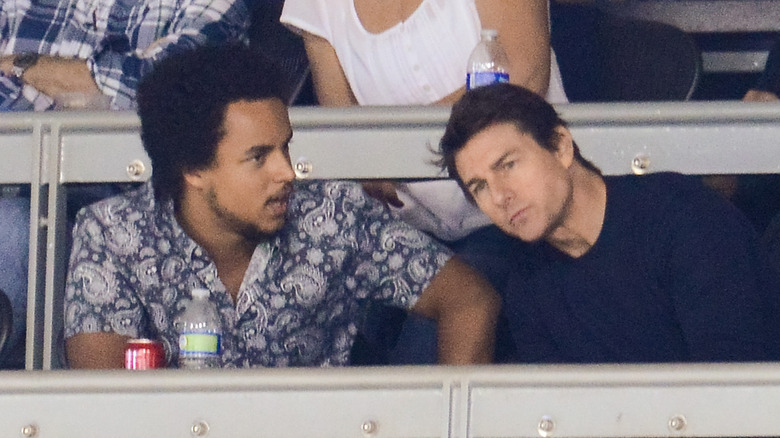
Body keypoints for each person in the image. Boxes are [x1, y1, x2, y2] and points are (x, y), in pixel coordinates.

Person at [63, 44, 500, 369]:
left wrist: (444, 421)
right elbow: (100, 395)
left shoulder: (334, 214)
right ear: (193, 170)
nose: (287, 172)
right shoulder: (111, 232)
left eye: (285, 148)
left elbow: (470, 300)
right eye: (258, 156)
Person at [280, 0, 567, 364]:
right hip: (406, 227)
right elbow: (344, 126)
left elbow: (524, 75)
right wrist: (368, 164)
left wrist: (390, 152)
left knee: (430, 343)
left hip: (515, 212)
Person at [438, 82, 780, 363]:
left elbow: (737, 388)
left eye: (508, 165)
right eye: (479, 187)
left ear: (560, 147)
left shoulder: (682, 218)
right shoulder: (527, 285)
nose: (499, 196)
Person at [0, 0, 254, 368]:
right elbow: (133, 83)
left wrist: (22, 65)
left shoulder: (213, 4)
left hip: (130, 193)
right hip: (14, 178)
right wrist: (94, 83)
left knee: (14, 230)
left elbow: (160, 90)